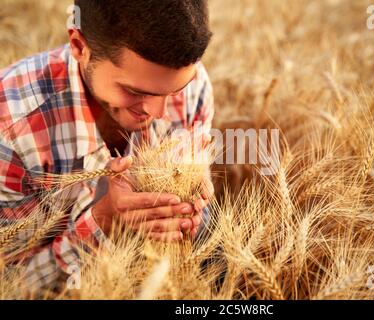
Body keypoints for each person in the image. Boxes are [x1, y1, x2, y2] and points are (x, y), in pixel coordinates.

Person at [0, 0, 214, 290]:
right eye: (135, 91)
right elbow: (10, 283)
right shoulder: (10, 129)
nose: (161, 112)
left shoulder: (196, 85)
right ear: (79, 45)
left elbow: (196, 235)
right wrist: (104, 221)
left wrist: (191, 212)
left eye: (176, 90)